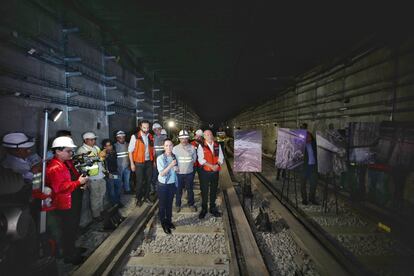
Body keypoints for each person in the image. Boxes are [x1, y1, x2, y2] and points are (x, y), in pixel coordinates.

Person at [46, 136, 88, 264]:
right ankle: (69, 255)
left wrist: (81, 183)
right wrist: (78, 183)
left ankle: (72, 248)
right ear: (58, 151)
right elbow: (59, 188)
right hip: (65, 203)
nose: (71, 153)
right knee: (68, 229)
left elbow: (73, 177)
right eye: (68, 151)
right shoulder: (54, 167)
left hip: (74, 198)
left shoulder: (67, 162)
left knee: (73, 227)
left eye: (71, 151)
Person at [76, 132, 106, 221]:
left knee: (102, 195)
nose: (94, 141)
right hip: (92, 178)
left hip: (100, 175)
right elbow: (84, 163)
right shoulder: (82, 150)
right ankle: (96, 215)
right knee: (95, 197)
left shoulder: (96, 148)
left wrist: (103, 156)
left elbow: (101, 159)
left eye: (94, 139)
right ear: (86, 140)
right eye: (92, 140)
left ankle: (101, 211)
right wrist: (98, 156)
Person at [197, 130, 224, 219]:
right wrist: (211, 166)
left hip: (215, 171)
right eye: (207, 135)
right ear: (204, 136)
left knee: (213, 190)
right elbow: (201, 159)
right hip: (205, 172)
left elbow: (221, 157)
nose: (209, 136)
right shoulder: (201, 146)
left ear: (212, 135)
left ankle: (212, 208)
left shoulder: (217, 145)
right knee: (204, 191)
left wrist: (217, 165)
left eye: (210, 134)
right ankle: (204, 209)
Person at [128, 120, 154, 207]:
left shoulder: (150, 136)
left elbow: (152, 149)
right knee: (139, 182)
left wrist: (153, 161)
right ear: (140, 127)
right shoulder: (135, 137)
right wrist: (132, 163)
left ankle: (146, 197)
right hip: (139, 163)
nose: (146, 129)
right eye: (144, 128)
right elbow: (130, 151)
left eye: (147, 128)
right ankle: (138, 199)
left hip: (148, 162)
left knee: (148, 181)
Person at [156, 138, 178, 234]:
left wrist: (177, 169)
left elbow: (176, 170)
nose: (169, 147)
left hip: (172, 184)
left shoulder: (174, 156)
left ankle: (168, 221)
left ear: (173, 146)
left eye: (170, 145)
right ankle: (163, 223)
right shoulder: (160, 158)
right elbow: (162, 174)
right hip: (163, 185)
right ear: (164, 147)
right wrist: (171, 165)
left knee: (169, 204)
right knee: (162, 205)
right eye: (166, 145)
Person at [173, 130, 197, 212]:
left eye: (186, 138)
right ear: (179, 139)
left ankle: (191, 204)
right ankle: (177, 205)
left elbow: (194, 159)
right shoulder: (175, 149)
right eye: (182, 138)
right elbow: (173, 160)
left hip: (189, 173)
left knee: (190, 189)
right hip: (178, 173)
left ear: (188, 138)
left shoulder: (192, 147)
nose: (184, 140)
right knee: (178, 190)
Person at [300, 123, 319, 205]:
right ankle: (304, 199)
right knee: (303, 184)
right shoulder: (299, 141)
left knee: (313, 183)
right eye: (302, 128)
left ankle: (312, 198)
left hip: (313, 166)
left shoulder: (312, 141)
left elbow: (317, 151)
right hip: (304, 166)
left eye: (305, 129)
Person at [102, 139, 123, 208]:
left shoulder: (114, 152)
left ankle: (118, 201)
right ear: (104, 147)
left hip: (116, 173)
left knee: (119, 188)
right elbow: (103, 166)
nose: (109, 147)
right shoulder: (103, 155)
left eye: (110, 145)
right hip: (109, 174)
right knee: (111, 191)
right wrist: (107, 174)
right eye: (107, 146)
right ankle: (114, 203)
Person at [114, 130, 132, 195]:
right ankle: (119, 192)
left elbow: (130, 155)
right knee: (119, 180)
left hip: (127, 166)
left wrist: (130, 164)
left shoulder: (128, 145)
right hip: (119, 167)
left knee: (127, 179)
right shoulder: (114, 146)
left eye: (123, 137)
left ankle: (127, 190)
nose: (122, 139)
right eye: (120, 138)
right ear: (117, 138)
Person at [152, 122, 167, 198]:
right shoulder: (152, 138)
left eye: (159, 129)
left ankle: (162, 188)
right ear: (154, 130)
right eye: (155, 130)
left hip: (163, 160)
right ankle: (154, 189)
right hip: (156, 160)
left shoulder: (164, 137)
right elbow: (153, 151)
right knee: (155, 175)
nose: (157, 131)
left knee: (162, 174)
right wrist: (154, 161)